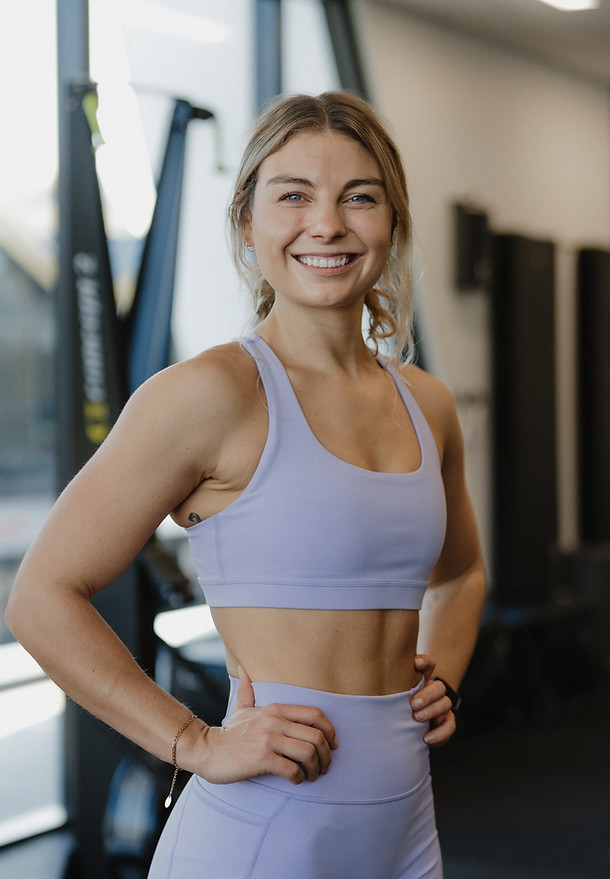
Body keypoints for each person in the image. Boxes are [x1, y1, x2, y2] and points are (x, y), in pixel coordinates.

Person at [5, 91, 486, 878]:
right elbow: (42, 596)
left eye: (358, 197)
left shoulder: (425, 402)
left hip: (406, 829)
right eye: (292, 195)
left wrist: (449, 675)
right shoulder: (210, 395)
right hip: (264, 831)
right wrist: (195, 742)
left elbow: (461, 573)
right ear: (247, 221)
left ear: (392, 220)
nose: (325, 224)